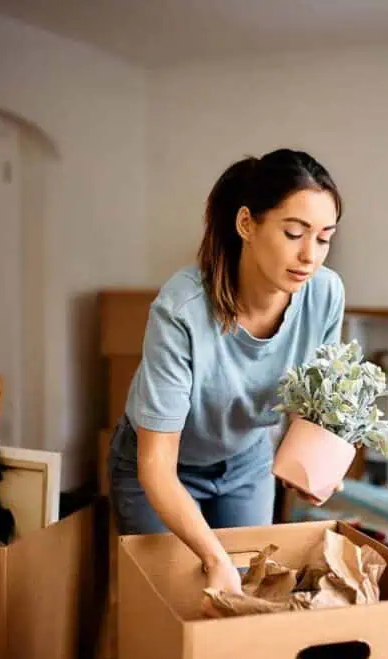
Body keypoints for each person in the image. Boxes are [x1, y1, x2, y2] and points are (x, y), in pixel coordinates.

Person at [107, 148, 345, 596]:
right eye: (294, 232)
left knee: (248, 598)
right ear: (246, 225)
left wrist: (317, 461)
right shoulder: (182, 309)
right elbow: (156, 464)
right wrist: (214, 556)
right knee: (168, 607)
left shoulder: (325, 293)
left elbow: (315, 399)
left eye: (324, 237)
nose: (309, 255)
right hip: (162, 468)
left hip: (246, 461)